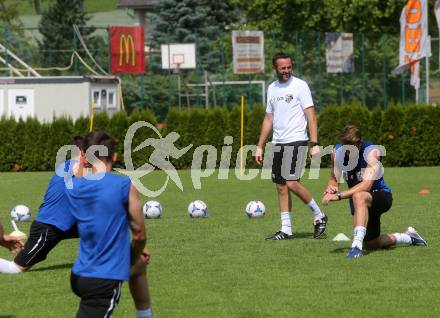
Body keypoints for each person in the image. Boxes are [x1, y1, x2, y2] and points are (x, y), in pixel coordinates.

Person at [67, 130, 150, 318]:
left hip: (79, 275)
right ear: (114, 156)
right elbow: (139, 235)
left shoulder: (73, 187)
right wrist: (129, 257)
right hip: (103, 279)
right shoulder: (124, 185)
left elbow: (79, 176)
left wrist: (82, 160)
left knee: (138, 267)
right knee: (136, 262)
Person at [322, 125, 427, 259]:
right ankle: (408, 237)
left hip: (380, 196)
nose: (347, 151)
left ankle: (356, 247)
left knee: (359, 195)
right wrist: (332, 187)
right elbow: (334, 179)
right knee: (371, 244)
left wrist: (338, 195)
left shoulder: (372, 152)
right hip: (358, 200)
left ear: (359, 143)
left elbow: (366, 185)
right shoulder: (337, 152)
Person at [255, 52, 327, 240]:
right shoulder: (271, 88)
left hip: (297, 140)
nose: (286, 71)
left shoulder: (300, 86)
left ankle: (319, 215)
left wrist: (314, 142)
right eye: (282, 68)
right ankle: (286, 229)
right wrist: (260, 145)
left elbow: (311, 114)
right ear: (275, 68)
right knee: (281, 186)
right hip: (278, 142)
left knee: (292, 182)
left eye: (289, 67)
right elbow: (268, 118)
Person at [0, 135, 87, 274]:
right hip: (48, 228)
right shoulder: (75, 166)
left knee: (104, 227)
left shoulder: (67, 165)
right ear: (83, 153)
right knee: (15, 268)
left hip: (66, 224)